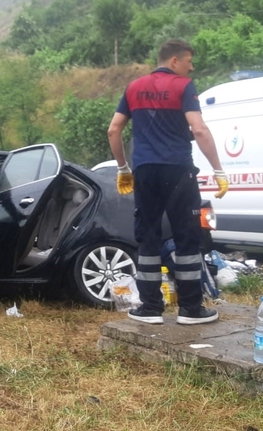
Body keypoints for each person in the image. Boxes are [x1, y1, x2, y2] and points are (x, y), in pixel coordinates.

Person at [107, 39, 229, 325]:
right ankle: (191, 309)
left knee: (147, 235)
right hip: (178, 171)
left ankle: (150, 308)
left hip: (145, 171)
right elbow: (198, 129)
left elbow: (114, 130)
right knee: (186, 235)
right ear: (175, 61)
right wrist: (218, 170)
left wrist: (123, 168)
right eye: (189, 61)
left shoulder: (133, 88)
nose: (191, 67)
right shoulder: (184, 87)